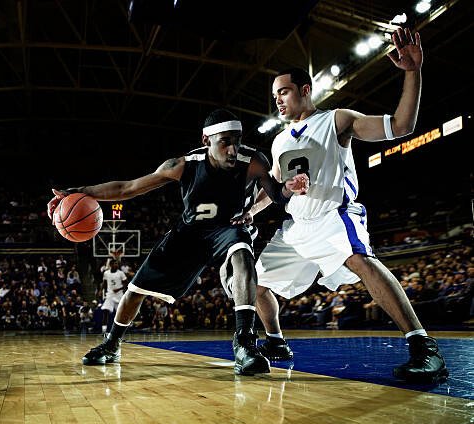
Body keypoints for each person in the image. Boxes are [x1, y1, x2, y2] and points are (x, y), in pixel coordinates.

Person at [246, 27, 447, 383]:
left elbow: (402, 125)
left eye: (284, 92)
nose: (277, 100)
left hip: (333, 215)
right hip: (297, 226)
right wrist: (247, 212)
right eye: (274, 95)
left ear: (305, 90)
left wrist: (412, 72)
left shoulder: (336, 119)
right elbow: (274, 188)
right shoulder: (278, 141)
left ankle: (423, 347)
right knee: (256, 283)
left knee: (361, 262)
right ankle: (276, 342)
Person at [47, 108, 308, 375]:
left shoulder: (253, 161)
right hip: (189, 234)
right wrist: (79, 192)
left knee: (242, 254)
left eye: (236, 140)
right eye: (224, 142)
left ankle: (244, 343)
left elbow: (276, 195)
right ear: (206, 141)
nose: (232, 149)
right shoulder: (183, 165)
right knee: (136, 290)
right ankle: (112, 343)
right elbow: (127, 188)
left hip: (228, 229)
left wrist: (290, 187)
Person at [100, 259, 128, 333]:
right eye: (115, 263)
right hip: (110, 295)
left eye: (117, 264)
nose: (117, 265)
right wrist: (100, 290)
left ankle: (120, 331)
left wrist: (119, 289)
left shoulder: (121, 273)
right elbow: (104, 283)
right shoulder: (106, 273)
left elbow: (126, 284)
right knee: (105, 311)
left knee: (120, 314)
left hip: (119, 295)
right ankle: (104, 330)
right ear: (111, 265)